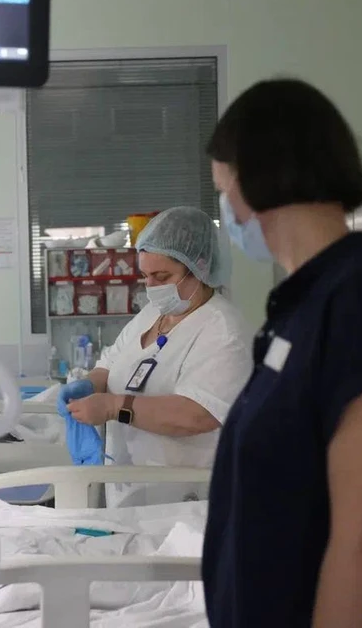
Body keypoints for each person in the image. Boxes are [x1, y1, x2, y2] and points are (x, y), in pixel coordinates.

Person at [201, 78, 362, 628]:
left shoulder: (360, 302)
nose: (225, 209)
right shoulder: (302, 307)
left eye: (222, 188)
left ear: (257, 179)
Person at [58, 207, 253, 507]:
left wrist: (115, 406)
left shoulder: (223, 330)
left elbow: (198, 414)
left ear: (200, 267)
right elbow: (109, 365)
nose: (151, 287)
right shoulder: (152, 314)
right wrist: (88, 385)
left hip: (184, 500)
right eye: (146, 276)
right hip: (131, 492)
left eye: (162, 276)